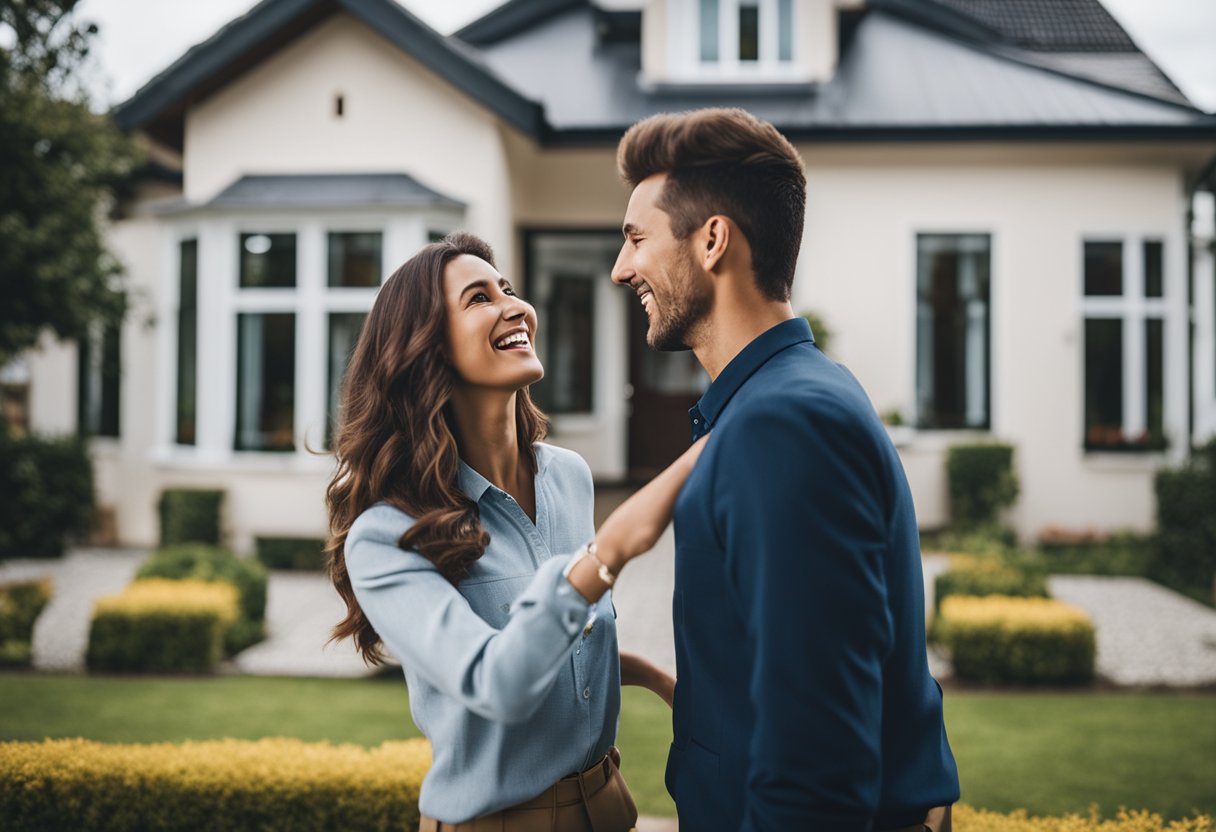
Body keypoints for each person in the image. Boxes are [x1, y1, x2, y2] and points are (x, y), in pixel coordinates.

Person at [609, 108, 960, 831]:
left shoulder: (783, 424)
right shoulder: (788, 397)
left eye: (636, 239)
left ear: (712, 241)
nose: (622, 268)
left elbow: (817, 758)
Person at [325, 232, 704, 832]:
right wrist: (610, 550)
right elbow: (496, 681)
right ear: (427, 349)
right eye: (478, 299)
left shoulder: (568, 477)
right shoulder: (385, 537)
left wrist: (661, 681)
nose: (516, 307)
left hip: (608, 805)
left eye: (507, 289)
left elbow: (561, 642)